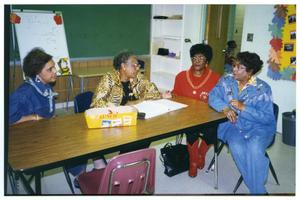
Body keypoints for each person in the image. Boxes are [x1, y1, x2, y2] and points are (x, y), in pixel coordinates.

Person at [69, 50, 171, 188]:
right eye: (134, 65)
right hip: (112, 121)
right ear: (123, 66)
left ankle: (127, 167)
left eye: (138, 65)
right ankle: (120, 167)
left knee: (145, 136)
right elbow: (97, 104)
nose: (138, 68)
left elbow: (151, 90)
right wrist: (125, 105)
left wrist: (160, 95)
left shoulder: (137, 77)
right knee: (135, 139)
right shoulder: (109, 78)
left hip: (130, 120)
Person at [208, 51, 276, 194]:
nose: (234, 70)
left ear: (250, 71)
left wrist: (244, 108)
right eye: (234, 65)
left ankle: (257, 191)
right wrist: (225, 108)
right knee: (237, 147)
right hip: (233, 126)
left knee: (255, 150)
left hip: (259, 128)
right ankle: (259, 191)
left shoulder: (262, 89)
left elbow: (266, 118)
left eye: (240, 68)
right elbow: (212, 96)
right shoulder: (226, 80)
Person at [172, 43, 220, 177]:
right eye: (194, 57)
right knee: (191, 130)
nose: (197, 60)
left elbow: (219, 100)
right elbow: (175, 96)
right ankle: (193, 162)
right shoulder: (181, 76)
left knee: (213, 130)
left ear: (207, 60)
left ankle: (201, 153)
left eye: (201, 57)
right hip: (186, 116)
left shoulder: (216, 78)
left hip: (207, 117)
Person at [9, 48, 57, 125]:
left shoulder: (47, 86)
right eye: (50, 69)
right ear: (37, 73)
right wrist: (34, 117)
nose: (55, 71)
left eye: (54, 67)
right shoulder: (24, 93)